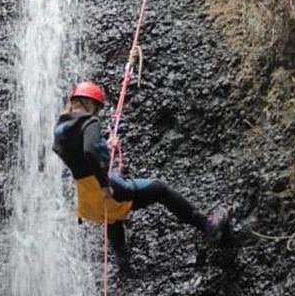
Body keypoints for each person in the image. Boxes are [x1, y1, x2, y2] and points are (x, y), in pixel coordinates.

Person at [52, 81, 231, 265]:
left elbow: (78, 154)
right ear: (90, 104)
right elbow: (89, 151)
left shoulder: (61, 128)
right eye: (97, 108)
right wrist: (104, 184)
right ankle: (206, 225)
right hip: (107, 188)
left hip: (86, 197)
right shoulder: (90, 121)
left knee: (112, 215)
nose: (97, 113)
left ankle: (122, 258)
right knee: (160, 190)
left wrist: (104, 146)